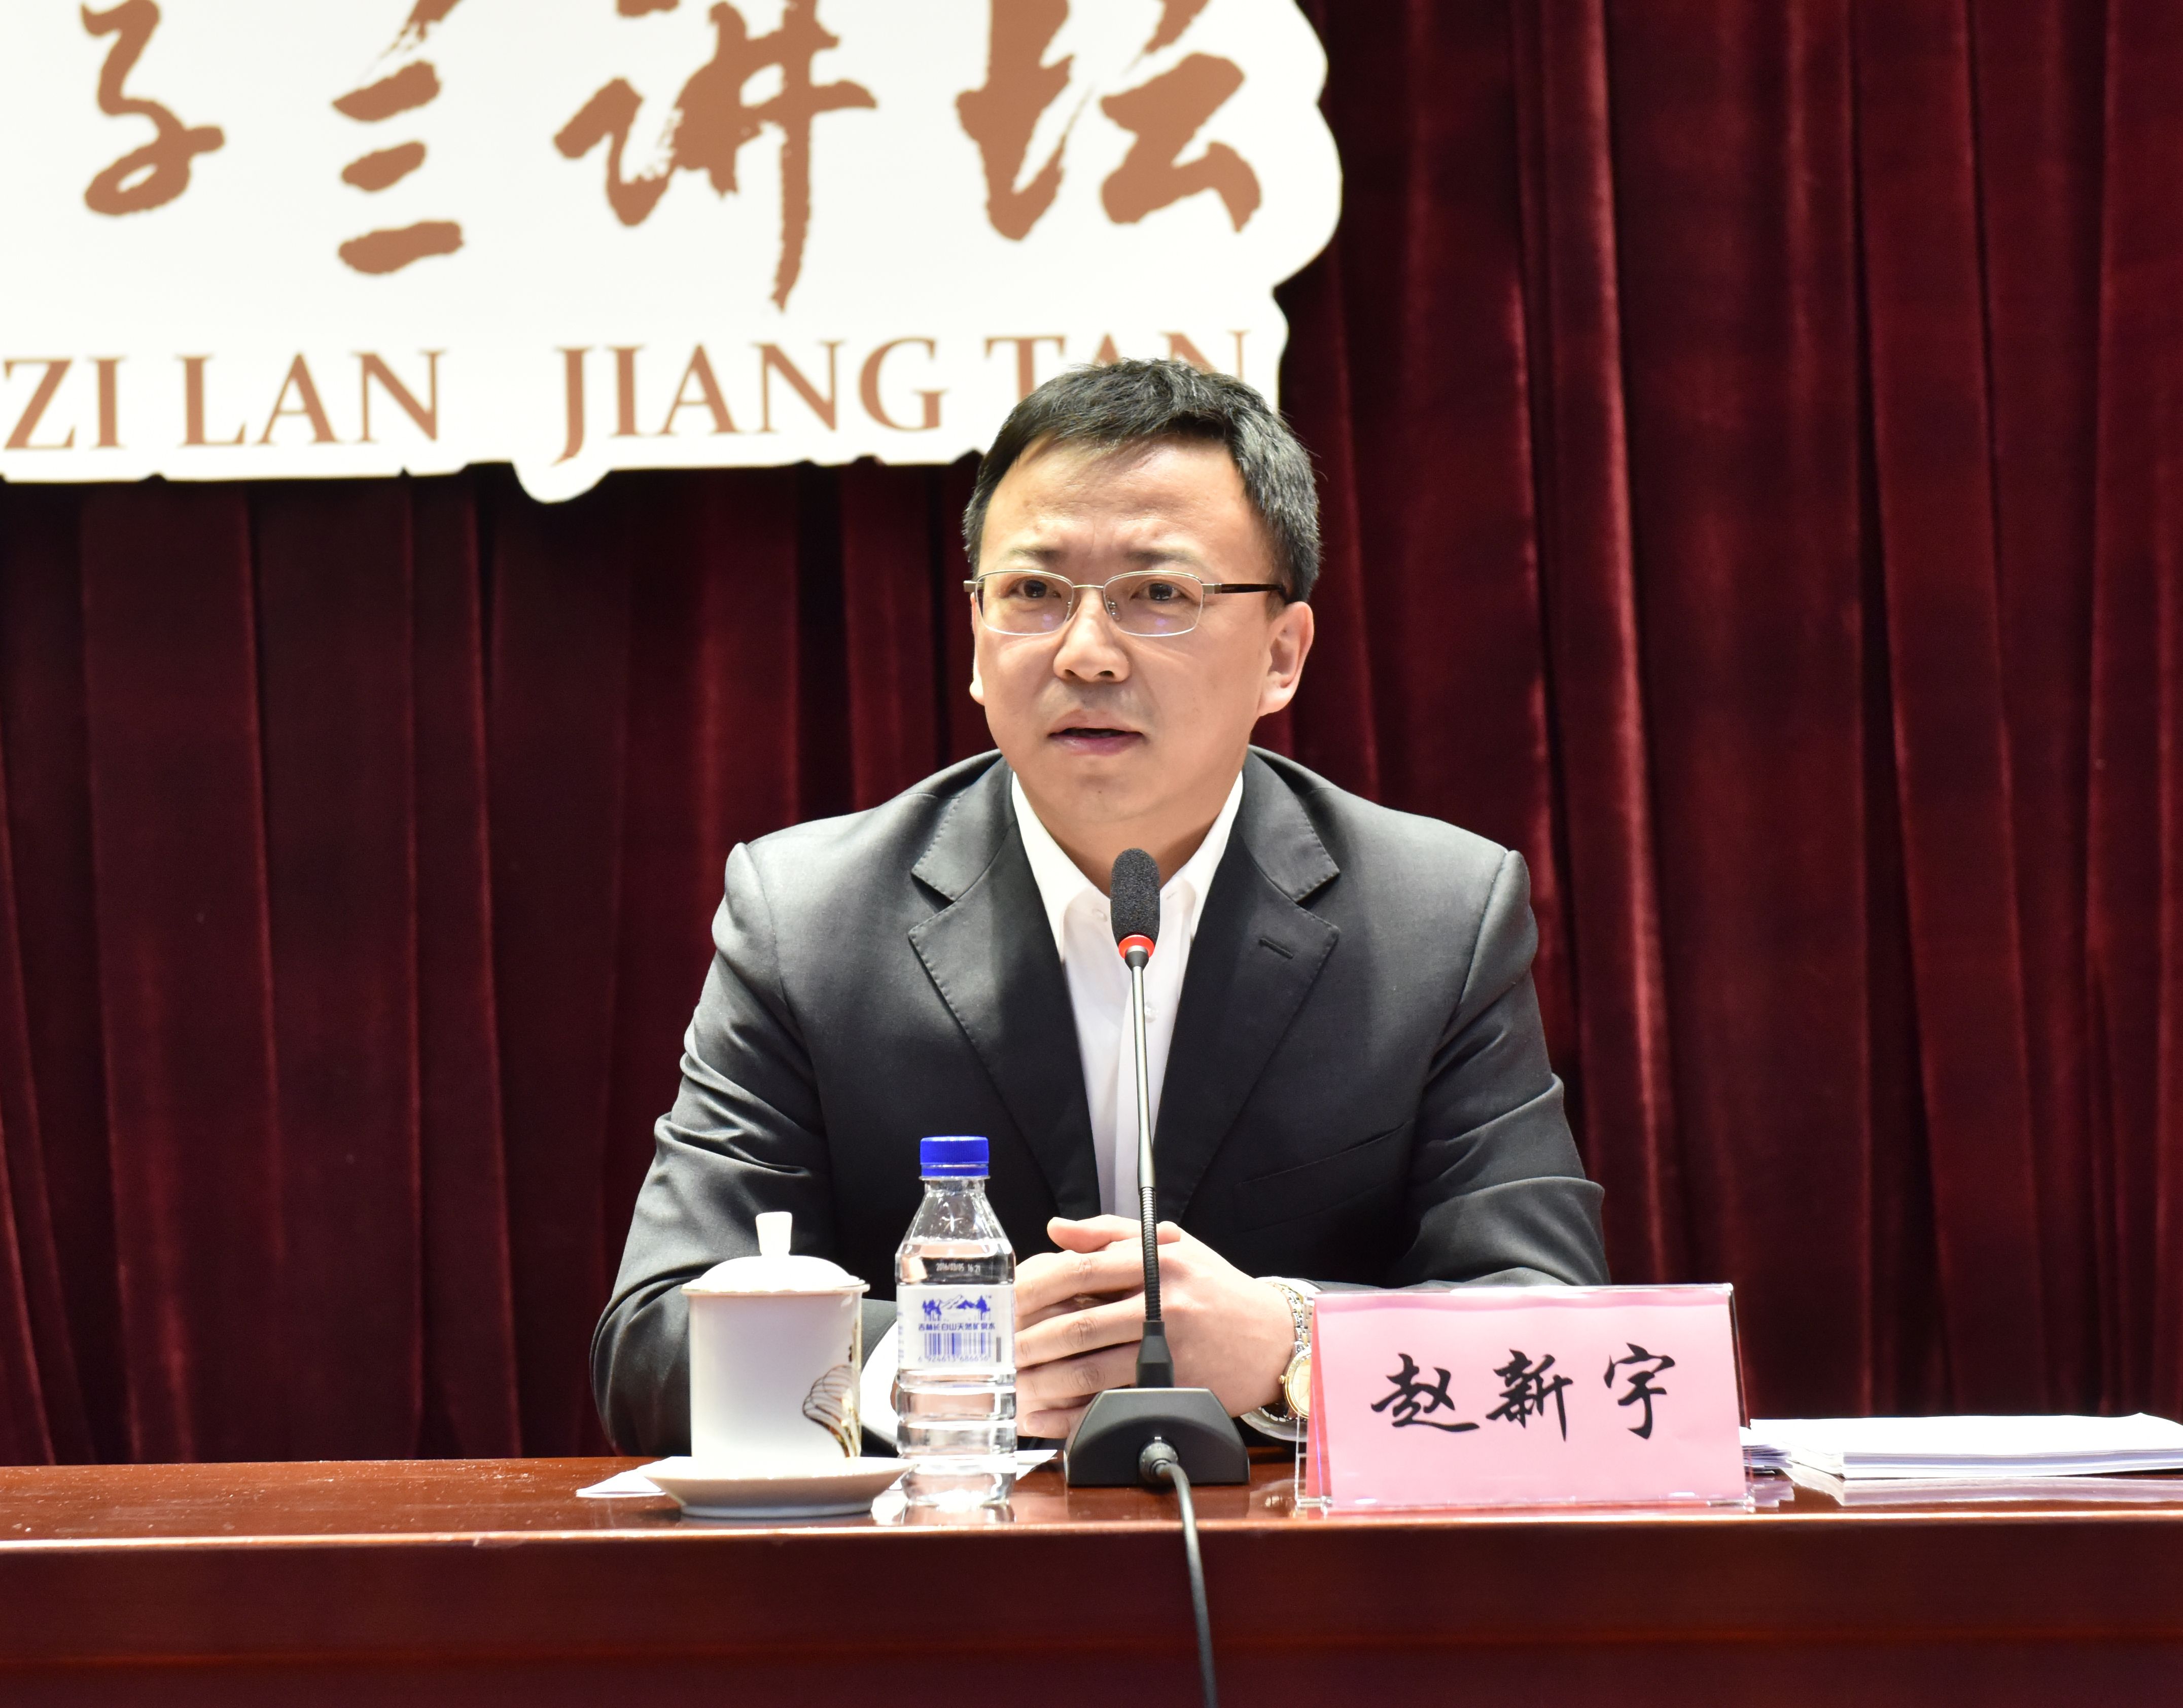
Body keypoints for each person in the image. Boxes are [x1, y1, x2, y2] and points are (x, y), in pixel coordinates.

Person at [593, 359, 1607, 1453]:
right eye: (1033, 593)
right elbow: (655, 1342)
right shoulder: (810, 918)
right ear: (975, 637)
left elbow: (1557, 1332)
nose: (1084, 653)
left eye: (1159, 595)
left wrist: (1290, 1346)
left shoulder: (1435, 917)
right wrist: (952, 1356)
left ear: (1281, 655)